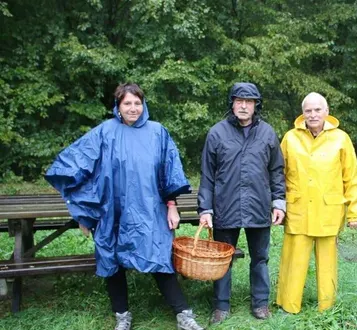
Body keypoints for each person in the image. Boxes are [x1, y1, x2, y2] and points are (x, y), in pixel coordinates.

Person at [44, 83, 204, 330]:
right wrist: (84, 213)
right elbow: (78, 165)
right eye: (127, 103)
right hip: (113, 211)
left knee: (160, 257)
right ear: (118, 106)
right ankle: (122, 316)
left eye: (137, 103)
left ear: (144, 104)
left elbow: (169, 172)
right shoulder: (105, 132)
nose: (133, 108)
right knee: (112, 261)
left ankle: (184, 315)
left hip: (150, 210)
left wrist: (172, 206)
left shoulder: (157, 133)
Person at [197, 82, 286, 324]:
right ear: (232, 104)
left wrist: (278, 202)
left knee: (260, 258)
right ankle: (221, 306)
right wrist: (205, 208)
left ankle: (260, 304)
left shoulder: (267, 133)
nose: (244, 106)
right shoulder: (217, 133)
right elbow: (207, 175)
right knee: (223, 259)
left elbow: (277, 170)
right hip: (225, 206)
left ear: (256, 105)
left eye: (249, 101)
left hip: (258, 206)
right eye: (239, 101)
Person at [276, 92, 357, 314]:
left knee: (327, 264)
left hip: (328, 211)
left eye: (317, 110)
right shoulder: (290, 138)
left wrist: (355, 213)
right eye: (308, 110)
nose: (313, 115)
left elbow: (351, 177)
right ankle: (288, 305)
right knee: (293, 260)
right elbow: (278, 174)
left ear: (327, 111)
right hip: (298, 209)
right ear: (302, 113)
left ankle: (327, 307)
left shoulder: (341, 139)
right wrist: (278, 204)